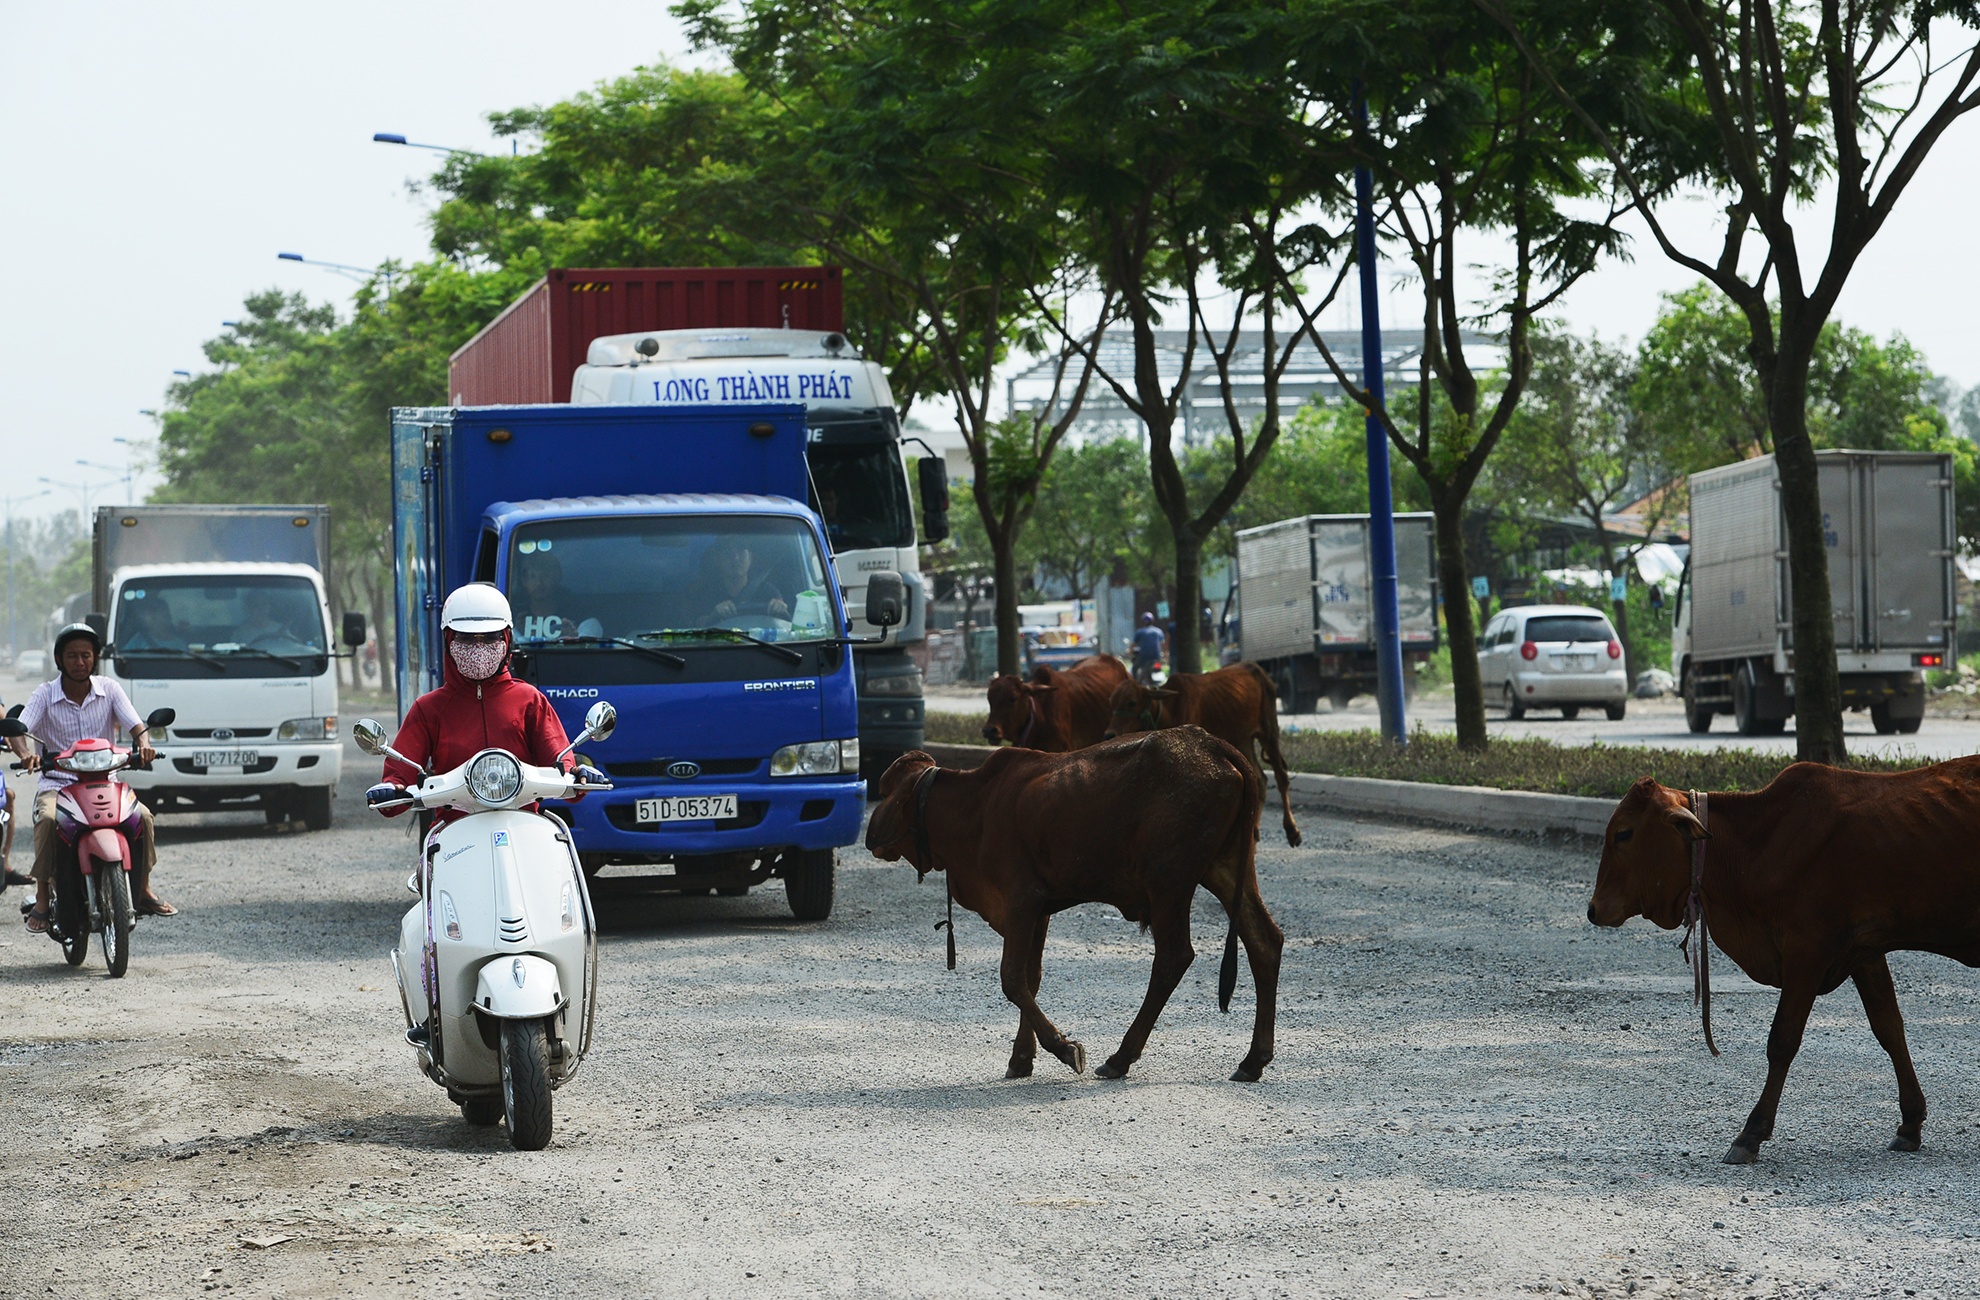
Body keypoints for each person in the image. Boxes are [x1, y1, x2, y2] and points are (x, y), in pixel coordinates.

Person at [365, 584, 603, 1047]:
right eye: (466, 641)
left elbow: (561, 758)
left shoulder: (528, 700)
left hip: (526, 833)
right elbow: (400, 771)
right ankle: (433, 1010)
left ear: (508, 640)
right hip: (456, 836)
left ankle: (568, 1003)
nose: (478, 650)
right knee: (428, 923)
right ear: (448, 642)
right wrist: (394, 788)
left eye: (489, 639)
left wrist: (575, 774)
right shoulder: (429, 709)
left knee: (566, 908)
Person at [5, 624, 171, 931]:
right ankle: (42, 895)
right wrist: (25, 754)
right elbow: (19, 730)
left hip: (105, 783)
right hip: (58, 785)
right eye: (72, 656)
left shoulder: (110, 689)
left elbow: (136, 725)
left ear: (94, 658)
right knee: (47, 820)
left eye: (85, 655)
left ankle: (143, 888)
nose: (79, 662)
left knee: (144, 816)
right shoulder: (43, 695)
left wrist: (145, 746)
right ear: (59, 659)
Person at [689, 538, 789, 622]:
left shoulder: (768, 591)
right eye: (728, 553)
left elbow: (786, 624)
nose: (736, 558)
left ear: (750, 558)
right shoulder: (706, 593)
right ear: (718, 560)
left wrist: (780, 609)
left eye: (741, 551)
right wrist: (713, 616)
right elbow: (697, 627)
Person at [509, 548, 585, 641]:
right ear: (523, 581)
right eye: (532, 576)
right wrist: (517, 634)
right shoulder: (513, 615)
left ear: (556, 577)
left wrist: (573, 639)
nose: (539, 583)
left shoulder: (574, 613)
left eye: (545, 575)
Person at [1130, 611, 1167, 686]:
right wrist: (1165, 654)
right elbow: (1163, 644)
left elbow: (1133, 644)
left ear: (1143, 621)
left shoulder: (1139, 632)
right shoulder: (1159, 631)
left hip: (1143, 656)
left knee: (1134, 669)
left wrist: (1129, 651)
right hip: (1156, 657)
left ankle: (1135, 684)